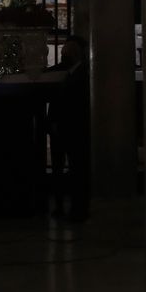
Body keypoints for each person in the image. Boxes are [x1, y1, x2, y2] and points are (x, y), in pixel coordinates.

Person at [47, 36, 90, 223]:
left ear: (72, 55)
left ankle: (77, 210)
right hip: (65, 130)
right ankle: (69, 208)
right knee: (73, 169)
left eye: (64, 53)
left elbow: (71, 104)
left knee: (77, 170)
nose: (62, 56)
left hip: (72, 131)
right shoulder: (73, 73)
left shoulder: (79, 75)